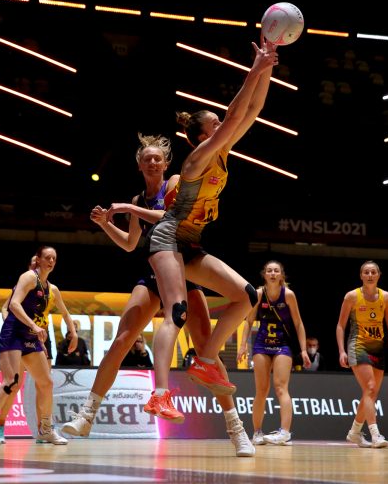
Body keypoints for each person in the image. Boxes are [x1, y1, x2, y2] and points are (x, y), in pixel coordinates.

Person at [61, 134, 255, 457]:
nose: (152, 162)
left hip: (185, 266)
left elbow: (169, 219)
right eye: (146, 159)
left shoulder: (176, 184)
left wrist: (126, 207)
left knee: (206, 347)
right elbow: (129, 243)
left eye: (157, 158)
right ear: (139, 165)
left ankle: (236, 429)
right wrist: (104, 224)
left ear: (165, 164)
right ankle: (87, 415)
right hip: (155, 273)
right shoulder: (138, 200)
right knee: (123, 339)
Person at [143, 38, 278, 411]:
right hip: (166, 241)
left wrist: (266, 68)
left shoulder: (221, 153)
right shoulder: (198, 158)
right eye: (215, 123)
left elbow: (252, 109)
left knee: (248, 296)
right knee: (177, 312)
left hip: (191, 244)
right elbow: (235, 115)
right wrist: (254, 68)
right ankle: (160, 395)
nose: (224, 123)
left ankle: (204, 361)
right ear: (203, 135)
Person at [0, 245, 77, 446]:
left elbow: (65, 313)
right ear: (37, 259)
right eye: (47, 257)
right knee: (10, 382)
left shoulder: (51, 288)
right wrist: (34, 326)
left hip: (32, 336)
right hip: (14, 333)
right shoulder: (28, 277)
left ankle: (46, 430)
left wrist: (73, 333)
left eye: (54, 258)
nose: (51, 261)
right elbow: (13, 305)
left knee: (46, 382)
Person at [238, 260, 310, 446]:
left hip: (282, 345)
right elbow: (248, 321)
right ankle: (257, 432)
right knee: (261, 390)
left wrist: (303, 350)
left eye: (276, 271)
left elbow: (298, 323)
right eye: (269, 270)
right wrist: (243, 345)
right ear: (264, 274)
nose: (272, 273)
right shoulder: (259, 294)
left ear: (281, 275)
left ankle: (285, 432)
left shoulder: (289, 295)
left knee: (281, 387)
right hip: (261, 344)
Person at [336, 260, 388, 449]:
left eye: (373, 272)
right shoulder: (352, 297)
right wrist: (341, 351)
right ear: (361, 276)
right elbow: (340, 326)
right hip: (358, 345)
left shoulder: (386, 297)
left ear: (379, 275)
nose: (370, 275)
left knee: (371, 393)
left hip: (377, 347)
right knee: (370, 388)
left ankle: (354, 432)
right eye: (366, 272)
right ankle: (375, 434)